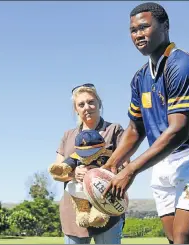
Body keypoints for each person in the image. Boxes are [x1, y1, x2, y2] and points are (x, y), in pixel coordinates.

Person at [101, 2, 189, 244]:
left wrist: (130, 170)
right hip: (163, 161)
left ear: (165, 26)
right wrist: (111, 164)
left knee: (184, 240)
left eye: (144, 27)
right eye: (133, 30)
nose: (138, 34)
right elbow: (135, 129)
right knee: (172, 239)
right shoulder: (139, 78)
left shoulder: (181, 65)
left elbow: (179, 130)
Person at [53, 83, 128, 244]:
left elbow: (125, 166)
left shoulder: (114, 130)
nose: (87, 107)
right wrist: (74, 174)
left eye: (91, 102)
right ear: (76, 109)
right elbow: (57, 172)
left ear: (99, 104)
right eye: (81, 104)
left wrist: (96, 173)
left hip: (107, 207)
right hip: (75, 212)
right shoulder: (68, 135)